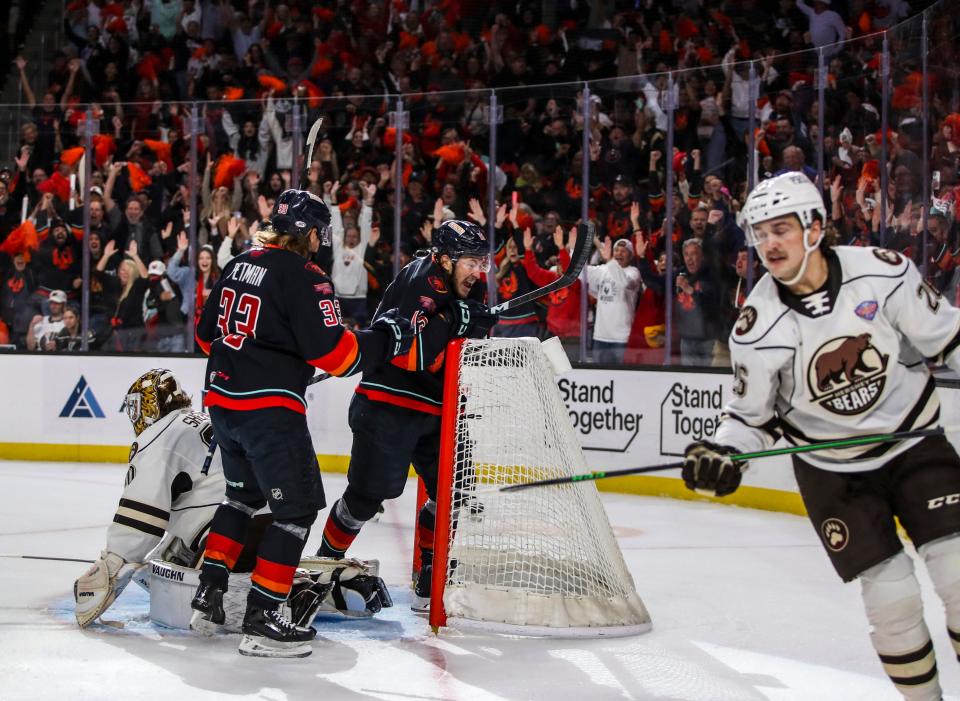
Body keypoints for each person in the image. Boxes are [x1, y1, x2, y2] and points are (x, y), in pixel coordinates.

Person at [682, 172, 960, 701]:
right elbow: (750, 418)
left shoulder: (884, 274)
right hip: (834, 472)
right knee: (891, 598)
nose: (768, 244)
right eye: (760, 234)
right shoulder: (756, 325)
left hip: (915, 442)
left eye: (780, 229)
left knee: (959, 573)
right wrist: (723, 454)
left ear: (815, 226)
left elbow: (948, 338)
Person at [191, 189, 415, 658]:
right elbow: (336, 356)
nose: (322, 241)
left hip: (223, 403)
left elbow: (204, 334)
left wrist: (267, 347)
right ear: (309, 233)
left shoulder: (238, 262)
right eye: (320, 232)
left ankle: (208, 596)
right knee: (294, 512)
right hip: (267, 414)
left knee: (242, 497)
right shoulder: (304, 275)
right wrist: (385, 340)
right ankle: (264, 619)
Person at [73, 368, 391, 630]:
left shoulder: (159, 436)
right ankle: (311, 580)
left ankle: (295, 592)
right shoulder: (204, 420)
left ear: (149, 407)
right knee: (168, 555)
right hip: (272, 528)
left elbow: (140, 520)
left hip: (226, 537)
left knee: (179, 591)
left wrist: (109, 569)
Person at [316, 219, 499, 612]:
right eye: (470, 262)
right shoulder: (419, 281)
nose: (478, 271)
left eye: (482, 262)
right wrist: (452, 321)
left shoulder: (473, 286)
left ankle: (429, 576)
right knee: (365, 499)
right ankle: (323, 564)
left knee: (455, 488)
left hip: (437, 408)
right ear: (445, 260)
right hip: (388, 402)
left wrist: (473, 329)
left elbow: (460, 353)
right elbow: (411, 356)